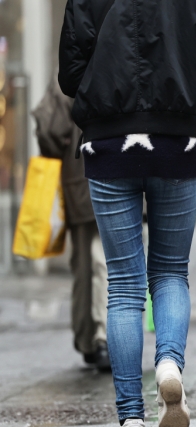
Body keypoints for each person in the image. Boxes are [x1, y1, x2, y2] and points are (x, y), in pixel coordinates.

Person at [59, 0, 196, 427]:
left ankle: (131, 424)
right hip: (178, 138)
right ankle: (169, 364)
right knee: (169, 272)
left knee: (124, 286)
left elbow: (70, 73)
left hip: (108, 141)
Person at [32, 76, 110, 371]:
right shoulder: (122, 54)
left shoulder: (68, 73)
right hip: (118, 171)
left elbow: (49, 129)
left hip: (78, 180)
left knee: (82, 264)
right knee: (104, 259)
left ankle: (88, 340)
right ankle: (104, 336)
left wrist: (62, 146)